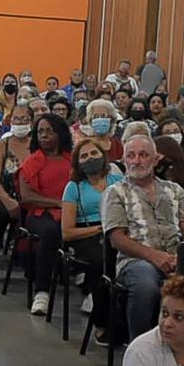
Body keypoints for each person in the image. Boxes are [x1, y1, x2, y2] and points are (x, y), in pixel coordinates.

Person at [103, 133, 184, 340]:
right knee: (146, 283)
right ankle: (140, 347)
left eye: (143, 155)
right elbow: (117, 239)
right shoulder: (115, 192)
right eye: (131, 156)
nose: (137, 161)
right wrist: (155, 257)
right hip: (135, 261)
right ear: (124, 160)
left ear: (155, 159)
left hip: (176, 258)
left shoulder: (175, 190)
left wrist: (182, 260)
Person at [16, 113, 76, 315]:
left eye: (49, 131)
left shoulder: (72, 160)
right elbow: (26, 197)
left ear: (60, 133)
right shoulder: (32, 162)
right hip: (40, 214)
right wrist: (59, 203)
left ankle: (90, 288)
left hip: (72, 212)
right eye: (40, 131)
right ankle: (42, 291)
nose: (44, 135)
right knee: (51, 231)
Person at [60, 137, 119, 331]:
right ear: (78, 163)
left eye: (94, 153)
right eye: (84, 156)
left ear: (103, 156)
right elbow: (67, 232)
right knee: (102, 259)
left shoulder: (118, 181)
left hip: (116, 228)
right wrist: (99, 229)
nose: (90, 158)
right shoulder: (73, 188)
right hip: (85, 233)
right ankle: (101, 317)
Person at [0, 102, 33, 281]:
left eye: (24, 119)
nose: (20, 122)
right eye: (16, 119)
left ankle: (32, 264)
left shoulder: (38, 146)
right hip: (2, 193)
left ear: (32, 122)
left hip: (31, 196)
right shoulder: (0, 145)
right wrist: (9, 202)